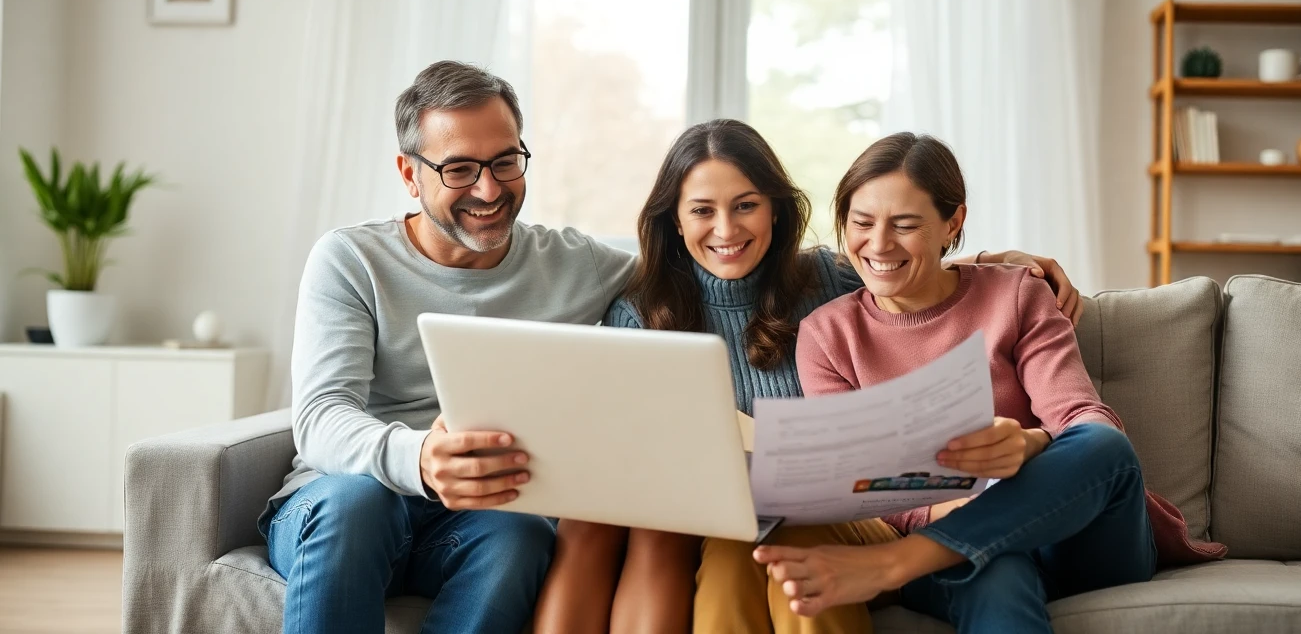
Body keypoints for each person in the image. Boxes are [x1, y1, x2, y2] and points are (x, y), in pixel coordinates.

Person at [532, 120, 1085, 634]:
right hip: (692, 519)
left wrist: (995, 263)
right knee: (626, 531)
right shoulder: (641, 311)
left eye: (746, 205)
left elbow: (903, 269)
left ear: (775, 209)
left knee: (755, 550)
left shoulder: (826, 281)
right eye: (702, 210)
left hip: (811, 514)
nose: (726, 229)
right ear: (674, 219)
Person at [754, 133, 1226, 633]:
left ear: (952, 222)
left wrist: (1028, 444)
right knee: (994, 571)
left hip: (1075, 538)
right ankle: (928, 552)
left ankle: (894, 564)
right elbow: (855, 483)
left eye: (906, 224)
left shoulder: (1016, 294)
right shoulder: (827, 335)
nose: (879, 244)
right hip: (948, 538)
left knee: (1104, 442)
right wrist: (944, 508)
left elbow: (1081, 416)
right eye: (862, 223)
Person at [259, 60, 637, 634]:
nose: (489, 189)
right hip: (340, 504)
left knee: (523, 532)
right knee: (360, 504)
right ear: (410, 174)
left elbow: (699, 265)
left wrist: (819, 271)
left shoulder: (573, 264)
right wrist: (419, 459)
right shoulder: (351, 260)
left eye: (506, 161)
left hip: (473, 520)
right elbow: (320, 417)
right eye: (459, 169)